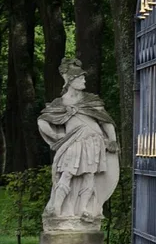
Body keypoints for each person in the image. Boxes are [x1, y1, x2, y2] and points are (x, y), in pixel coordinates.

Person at [37, 59, 120, 231]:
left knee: (89, 176)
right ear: (70, 81)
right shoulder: (61, 103)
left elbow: (106, 122)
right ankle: (56, 209)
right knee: (66, 173)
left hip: (93, 143)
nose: (84, 81)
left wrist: (112, 140)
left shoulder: (91, 100)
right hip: (73, 143)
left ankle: (84, 210)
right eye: (80, 78)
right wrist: (57, 136)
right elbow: (42, 122)